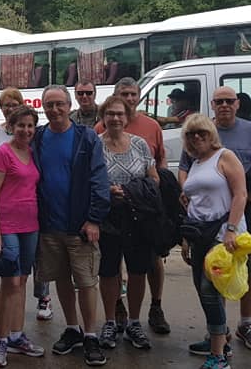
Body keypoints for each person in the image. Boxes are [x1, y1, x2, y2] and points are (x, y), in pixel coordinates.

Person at [179, 86, 251, 355]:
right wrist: (186, 194)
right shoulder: (197, 156)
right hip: (204, 227)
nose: (224, 105)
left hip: (240, 217)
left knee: (246, 274)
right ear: (212, 105)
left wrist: (244, 205)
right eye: (219, 101)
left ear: (237, 104)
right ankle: (218, 335)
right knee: (211, 285)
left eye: (229, 100)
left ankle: (244, 327)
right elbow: (184, 173)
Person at [32, 84, 111, 366]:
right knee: (61, 279)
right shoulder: (37, 137)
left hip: (80, 225)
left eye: (59, 104)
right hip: (49, 225)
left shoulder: (85, 137)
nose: (54, 110)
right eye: (49, 105)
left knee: (86, 282)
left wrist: (94, 219)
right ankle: (72, 328)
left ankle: (90, 334)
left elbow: (99, 179)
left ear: (69, 106)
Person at [96, 77, 171, 335]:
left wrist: (131, 192)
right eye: (110, 114)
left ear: (127, 118)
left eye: (120, 114)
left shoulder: (140, 144)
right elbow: (87, 181)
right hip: (107, 217)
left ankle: (135, 322)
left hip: (138, 217)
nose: (115, 118)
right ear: (103, 117)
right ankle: (110, 321)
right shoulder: (94, 145)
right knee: (108, 271)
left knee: (138, 270)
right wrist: (107, 191)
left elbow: (155, 178)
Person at [179, 113, 248, 369]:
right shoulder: (196, 163)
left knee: (210, 291)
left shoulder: (225, 157)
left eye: (202, 132)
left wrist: (231, 229)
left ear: (212, 135)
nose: (197, 137)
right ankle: (220, 339)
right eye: (191, 134)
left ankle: (218, 357)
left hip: (221, 237)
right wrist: (186, 239)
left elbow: (240, 194)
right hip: (200, 235)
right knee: (203, 290)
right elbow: (194, 203)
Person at [0, 105, 46, 367]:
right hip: (7, 225)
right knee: (9, 282)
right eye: (21, 125)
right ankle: (1, 341)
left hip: (30, 225)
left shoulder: (32, 152)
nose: (26, 130)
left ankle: (16, 336)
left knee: (22, 281)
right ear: (11, 127)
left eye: (30, 125)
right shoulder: (3, 152)